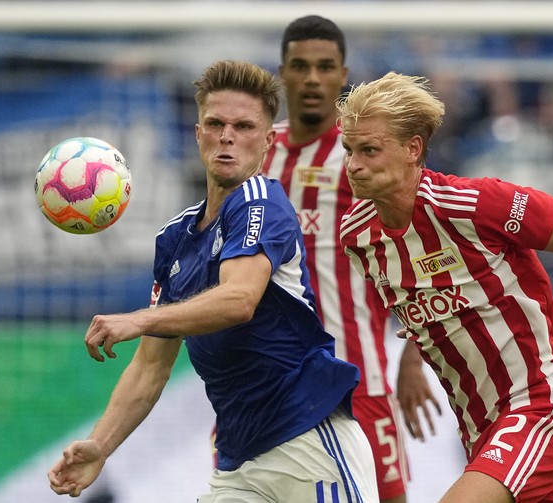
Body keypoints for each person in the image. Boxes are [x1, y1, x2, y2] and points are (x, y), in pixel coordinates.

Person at [47, 59, 379, 503]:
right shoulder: (175, 239)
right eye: (215, 123)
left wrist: (142, 319)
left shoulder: (264, 201)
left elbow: (239, 298)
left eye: (244, 126)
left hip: (308, 439)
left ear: (268, 141)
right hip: (238, 463)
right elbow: (151, 368)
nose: (227, 136)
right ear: (198, 133)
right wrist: (101, 446)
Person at [336, 71, 553, 502]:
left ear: (413, 148)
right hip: (479, 429)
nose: (354, 164)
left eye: (370, 150)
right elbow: (434, 298)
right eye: (349, 150)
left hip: (539, 406)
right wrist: (412, 360)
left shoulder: (472, 204)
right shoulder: (357, 236)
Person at [260, 15, 439, 503]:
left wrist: (413, 355)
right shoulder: (258, 150)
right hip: (266, 379)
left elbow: (427, 254)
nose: (312, 78)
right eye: (300, 66)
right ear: (283, 72)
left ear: (343, 76)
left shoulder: (363, 155)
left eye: (325, 67)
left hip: (358, 374)